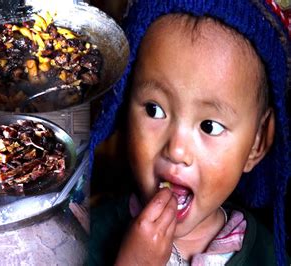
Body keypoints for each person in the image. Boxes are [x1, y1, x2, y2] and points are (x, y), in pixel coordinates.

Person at [89, 0, 290, 265]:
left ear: (257, 142)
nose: (177, 150)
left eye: (210, 126)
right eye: (154, 109)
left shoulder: (268, 256)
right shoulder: (85, 237)